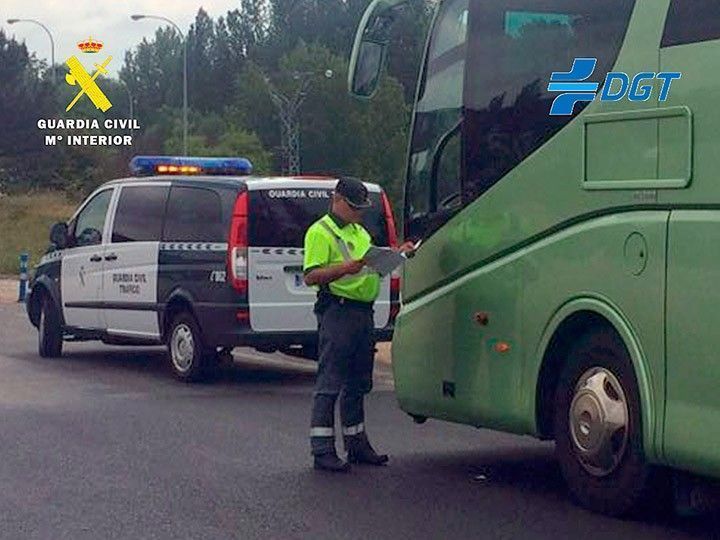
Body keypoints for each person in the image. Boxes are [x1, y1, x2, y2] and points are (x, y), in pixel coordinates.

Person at [303, 177, 414, 472]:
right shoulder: (320, 232)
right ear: (337, 200)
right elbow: (311, 276)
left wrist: (397, 254)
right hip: (337, 311)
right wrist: (345, 268)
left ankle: (356, 444)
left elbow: (374, 266)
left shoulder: (359, 231)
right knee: (330, 382)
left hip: (363, 313)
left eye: (361, 208)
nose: (358, 213)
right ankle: (322, 449)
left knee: (358, 381)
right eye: (353, 207)